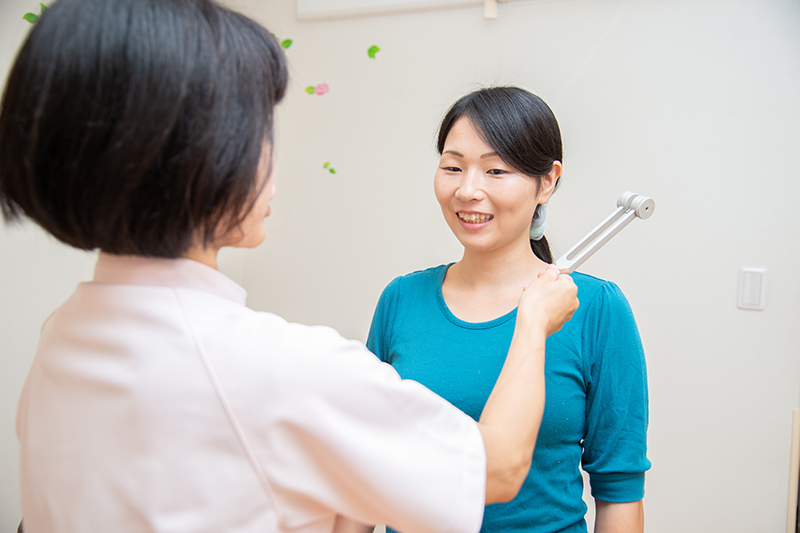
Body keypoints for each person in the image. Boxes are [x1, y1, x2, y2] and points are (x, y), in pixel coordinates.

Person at [0, 2, 579, 532]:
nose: (269, 158)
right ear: (194, 155)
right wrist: (531, 323)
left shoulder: (62, 338)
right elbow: (496, 470)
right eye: (258, 130)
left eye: (496, 170)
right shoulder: (276, 368)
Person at [368, 87, 651, 533]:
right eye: (452, 167)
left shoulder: (597, 309)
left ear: (547, 181)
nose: (467, 190)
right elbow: (369, 465)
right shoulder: (400, 300)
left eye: (496, 170)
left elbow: (619, 489)